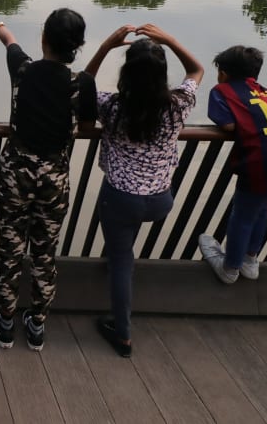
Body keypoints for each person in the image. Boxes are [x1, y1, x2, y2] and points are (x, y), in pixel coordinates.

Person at [86, 24, 203, 358]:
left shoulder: (111, 106)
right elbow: (196, 69)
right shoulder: (178, 105)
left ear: (126, 73)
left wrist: (107, 45)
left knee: (124, 262)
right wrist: (170, 39)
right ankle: (113, 259)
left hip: (121, 197)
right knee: (123, 242)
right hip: (160, 199)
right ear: (162, 74)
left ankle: (121, 333)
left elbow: (83, 83)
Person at [0, 11, 96, 351]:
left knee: (10, 249)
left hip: (15, 175)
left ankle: (5, 322)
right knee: (45, 253)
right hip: (53, 179)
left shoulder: (24, 70)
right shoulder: (83, 82)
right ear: (77, 45)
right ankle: (36, 325)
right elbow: (88, 126)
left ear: (44, 37)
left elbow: (10, 42)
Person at [197, 46, 267, 284]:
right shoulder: (265, 92)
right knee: (259, 209)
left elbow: (227, 125)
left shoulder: (222, 90)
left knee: (242, 215)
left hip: (263, 161)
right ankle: (250, 261)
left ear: (223, 73)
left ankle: (230, 268)